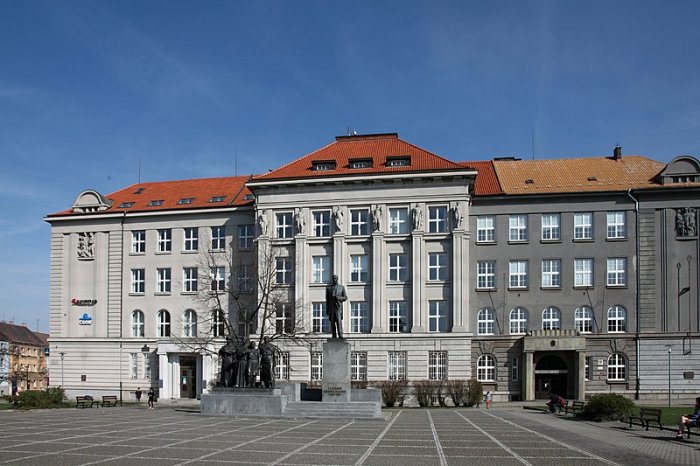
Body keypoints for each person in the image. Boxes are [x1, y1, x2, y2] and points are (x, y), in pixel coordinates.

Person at [325, 274, 347, 339]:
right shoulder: (329, 288)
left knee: (338, 321)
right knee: (332, 322)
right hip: (332, 308)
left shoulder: (341, 287)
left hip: (338, 307)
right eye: (333, 278)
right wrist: (327, 309)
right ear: (332, 279)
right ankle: (334, 335)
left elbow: (345, 297)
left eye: (335, 278)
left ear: (337, 279)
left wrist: (339, 298)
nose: (334, 280)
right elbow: (327, 300)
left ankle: (340, 335)